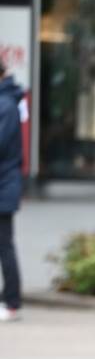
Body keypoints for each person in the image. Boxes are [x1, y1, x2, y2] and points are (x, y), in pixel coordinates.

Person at [0, 55, 22, 322]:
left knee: (4, 244)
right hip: (5, 183)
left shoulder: (5, 104)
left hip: (4, 186)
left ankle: (12, 301)